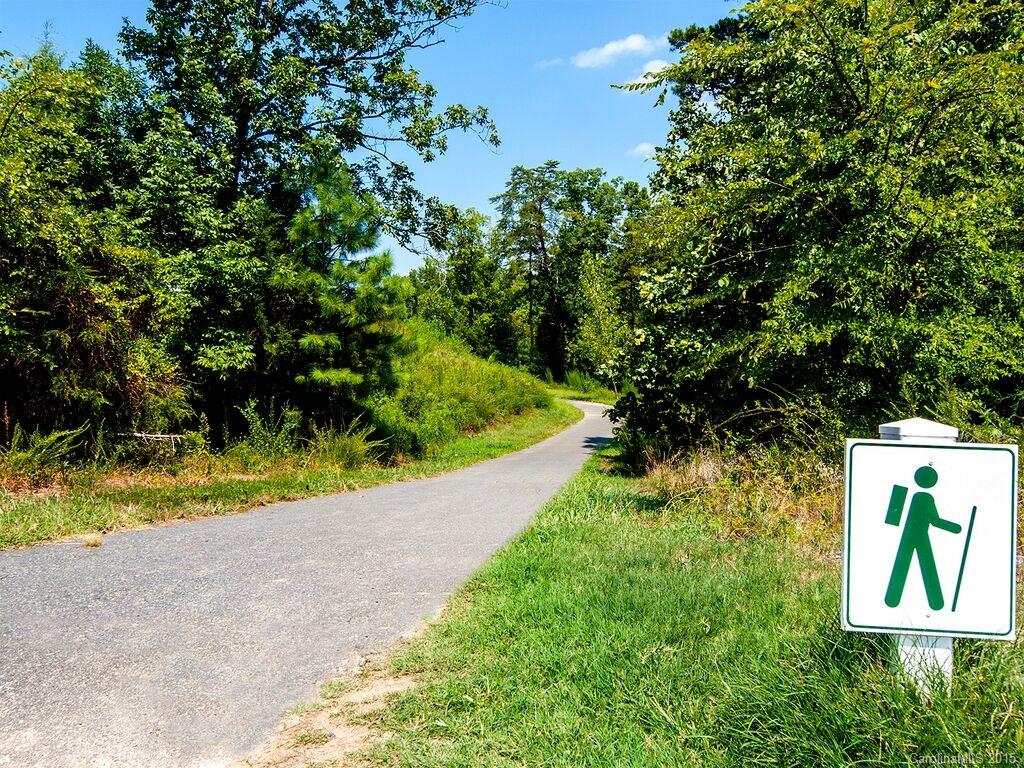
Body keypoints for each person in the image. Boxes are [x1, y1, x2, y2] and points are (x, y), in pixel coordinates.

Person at [884, 466, 962, 611]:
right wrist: (955, 528)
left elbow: (893, 516)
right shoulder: (924, 497)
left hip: (911, 536)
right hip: (917, 536)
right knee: (926, 566)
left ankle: (892, 600)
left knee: (904, 565)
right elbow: (935, 520)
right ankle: (936, 604)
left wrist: (955, 528)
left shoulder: (910, 494)